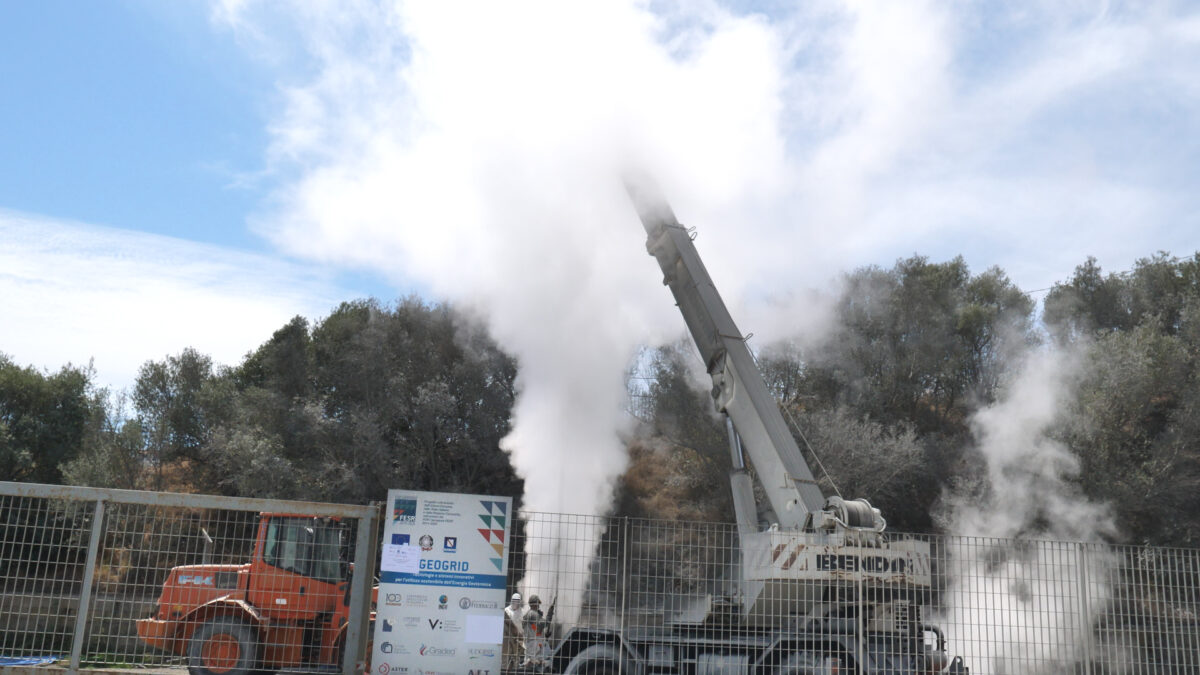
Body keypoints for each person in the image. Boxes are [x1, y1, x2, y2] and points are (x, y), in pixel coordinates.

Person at [522, 595, 549, 670]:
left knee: (535, 663)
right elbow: (542, 624)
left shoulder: (531, 614)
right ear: (533, 604)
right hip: (533, 643)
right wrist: (548, 617)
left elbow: (536, 629)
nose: (538, 606)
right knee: (532, 664)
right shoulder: (532, 613)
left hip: (534, 643)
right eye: (537, 603)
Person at [503, 592, 524, 670]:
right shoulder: (506, 611)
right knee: (506, 655)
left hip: (519, 638)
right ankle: (504, 669)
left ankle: (515, 669)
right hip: (508, 637)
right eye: (514, 600)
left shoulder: (522, 611)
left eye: (517, 601)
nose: (516, 602)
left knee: (516, 656)